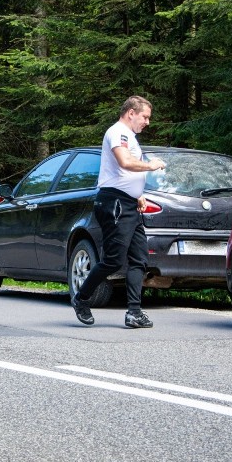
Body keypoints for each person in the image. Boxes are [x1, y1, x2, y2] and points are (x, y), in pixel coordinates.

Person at [71, 95, 166, 328]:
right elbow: (124, 162)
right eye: (145, 117)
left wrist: (138, 194)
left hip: (128, 204)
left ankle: (134, 312)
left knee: (139, 259)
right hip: (114, 204)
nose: (147, 122)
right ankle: (81, 298)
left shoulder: (129, 136)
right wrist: (151, 165)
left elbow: (122, 173)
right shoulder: (118, 132)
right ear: (130, 112)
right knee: (113, 261)